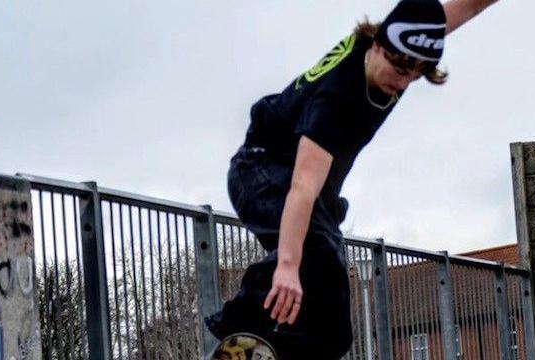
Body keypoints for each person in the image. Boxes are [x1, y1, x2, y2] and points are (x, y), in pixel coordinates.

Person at [204, 0, 499, 358]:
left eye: (415, 73)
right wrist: (285, 264)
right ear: (377, 44)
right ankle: (240, 324)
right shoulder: (337, 100)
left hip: (305, 187)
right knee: (315, 253)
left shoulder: (397, 46)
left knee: (334, 324)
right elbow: (301, 188)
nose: (401, 80)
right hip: (261, 173)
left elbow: (461, 11)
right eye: (398, 67)